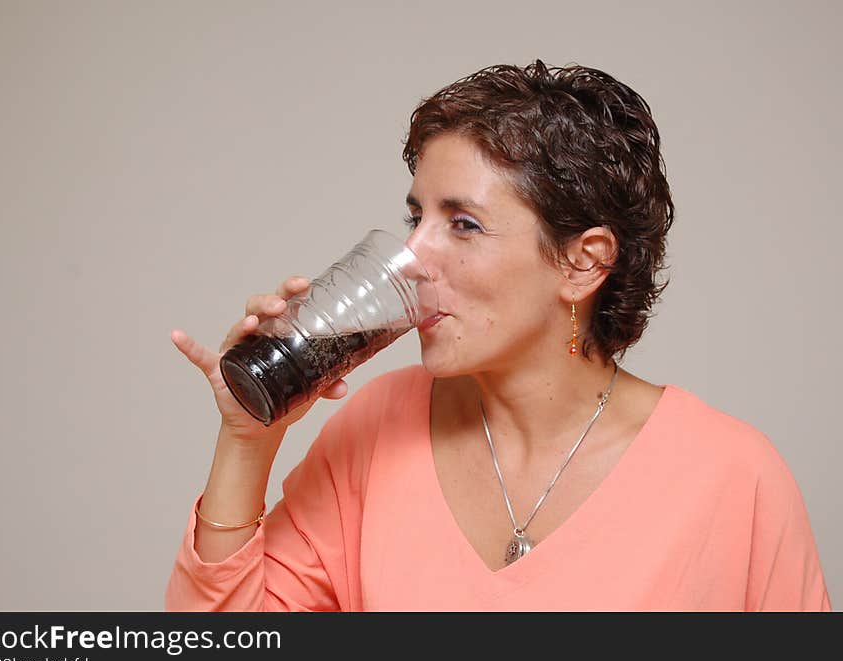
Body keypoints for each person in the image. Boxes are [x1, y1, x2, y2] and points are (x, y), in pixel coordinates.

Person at [165, 60, 831, 611]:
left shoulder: (732, 477)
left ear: (583, 263)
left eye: (464, 224)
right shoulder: (372, 430)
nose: (412, 258)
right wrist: (249, 440)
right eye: (416, 217)